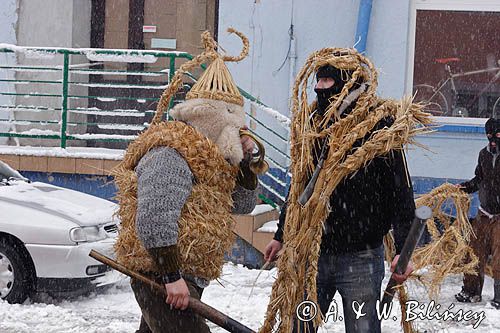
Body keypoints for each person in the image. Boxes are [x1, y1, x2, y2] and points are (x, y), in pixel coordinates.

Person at [113, 30, 259, 333]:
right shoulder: (172, 153)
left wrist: (245, 165)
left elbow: (243, 206)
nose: (240, 129)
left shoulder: (210, 159)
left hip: (185, 277)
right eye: (233, 122)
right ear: (211, 120)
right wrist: (170, 276)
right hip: (159, 274)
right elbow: (154, 218)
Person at [263, 51, 418, 333]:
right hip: (315, 252)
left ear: (346, 85)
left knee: (362, 328)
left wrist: (403, 249)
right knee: (300, 327)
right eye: (318, 80)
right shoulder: (315, 127)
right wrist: (281, 234)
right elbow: (301, 185)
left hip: (361, 257)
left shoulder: (379, 127)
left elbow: (401, 195)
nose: (319, 88)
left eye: (327, 81)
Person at [455, 117, 500, 309]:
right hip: (484, 213)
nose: (493, 141)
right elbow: (478, 179)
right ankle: (471, 291)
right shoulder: (484, 154)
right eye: (489, 136)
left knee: (499, 256)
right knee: (474, 251)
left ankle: (499, 296)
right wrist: (463, 188)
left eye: (497, 136)